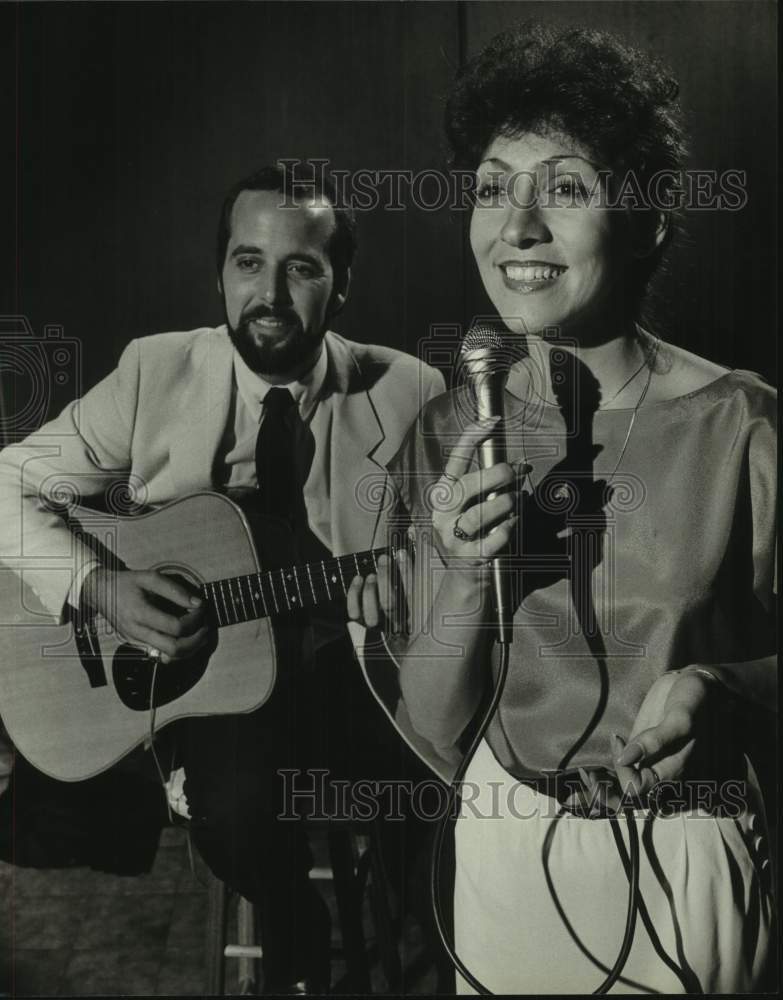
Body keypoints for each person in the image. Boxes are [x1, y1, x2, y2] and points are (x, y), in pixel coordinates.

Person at [375, 22, 776, 995]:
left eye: (562, 188)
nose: (515, 228)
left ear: (646, 222)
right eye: (491, 190)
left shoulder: (743, 425)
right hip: (510, 856)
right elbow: (433, 728)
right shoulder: (443, 435)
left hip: (692, 861)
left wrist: (722, 692)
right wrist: (468, 574)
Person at [0, 162, 445, 993]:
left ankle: (431, 948)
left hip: (354, 678)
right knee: (237, 811)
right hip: (216, 693)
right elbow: (7, 481)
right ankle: (294, 923)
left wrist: (402, 607)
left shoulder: (413, 391)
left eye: (301, 267)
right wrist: (101, 589)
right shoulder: (154, 372)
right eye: (248, 263)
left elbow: (444, 564)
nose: (268, 293)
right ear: (219, 273)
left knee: (435, 782)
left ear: (341, 284)